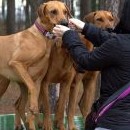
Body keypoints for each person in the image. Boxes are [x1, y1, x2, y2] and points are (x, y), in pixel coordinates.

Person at [52, 0, 130, 130]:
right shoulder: (119, 43)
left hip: (113, 123)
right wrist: (85, 28)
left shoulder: (118, 44)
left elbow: (85, 61)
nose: (109, 25)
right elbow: (115, 41)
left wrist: (68, 35)